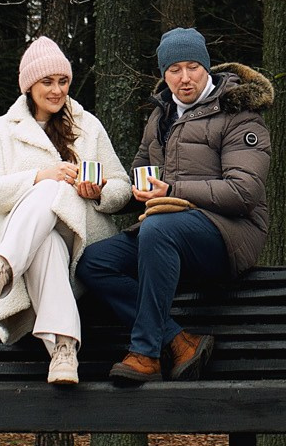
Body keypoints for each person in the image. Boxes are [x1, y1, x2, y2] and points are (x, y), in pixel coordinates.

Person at [77, 27, 273, 386]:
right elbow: (139, 174)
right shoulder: (161, 116)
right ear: (163, 74)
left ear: (207, 68)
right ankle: (179, 340)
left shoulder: (239, 113)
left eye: (193, 67)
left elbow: (244, 192)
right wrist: (106, 191)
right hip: (165, 232)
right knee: (93, 262)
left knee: (159, 228)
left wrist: (172, 190)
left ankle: (146, 353)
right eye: (174, 70)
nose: (184, 78)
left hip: (229, 235)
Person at [0, 36, 132, 385]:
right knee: (46, 238)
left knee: (55, 189)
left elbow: (121, 187)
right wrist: (40, 176)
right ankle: (63, 350)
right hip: (33, 244)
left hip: (83, 237)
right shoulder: (4, 129)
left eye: (63, 81)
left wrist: (99, 192)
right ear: (29, 85)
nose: (57, 90)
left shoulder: (88, 125)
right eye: (47, 82)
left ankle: (0, 268)